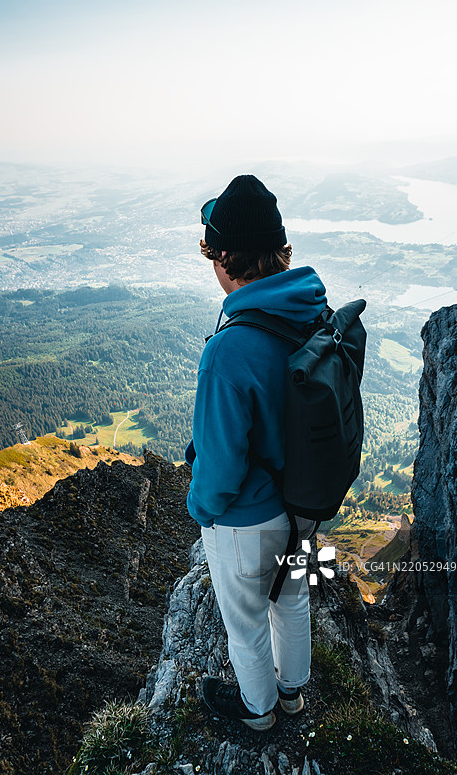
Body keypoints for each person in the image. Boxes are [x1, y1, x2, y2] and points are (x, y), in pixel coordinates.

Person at [185, 174, 328, 731]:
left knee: (245, 623)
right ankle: (292, 696)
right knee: (292, 600)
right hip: (304, 506)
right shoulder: (310, 311)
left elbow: (219, 470)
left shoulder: (228, 351)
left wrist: (201, 510)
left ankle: (259, 716)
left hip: (247, 524)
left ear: (223, 257)